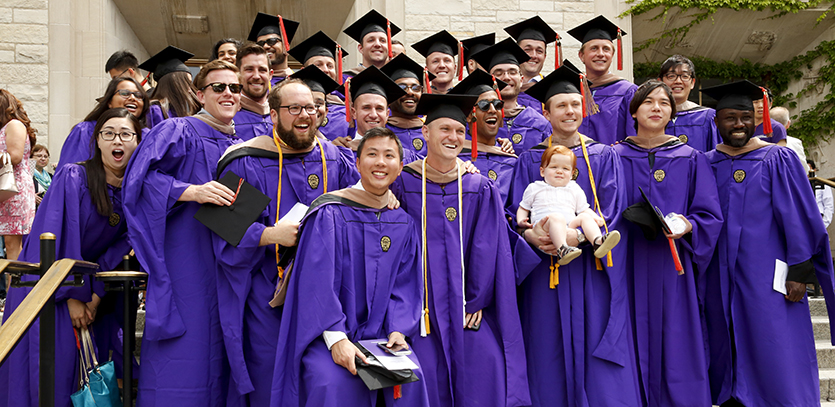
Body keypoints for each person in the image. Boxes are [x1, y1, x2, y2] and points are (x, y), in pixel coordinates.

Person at [212, 77, 359, 406]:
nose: (305, 115)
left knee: (321, 377)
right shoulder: (248, 159)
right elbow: (224, 229)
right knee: (271, 373)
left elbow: (362, 203)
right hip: (270, 292)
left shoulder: (332, 158)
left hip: (327, 291)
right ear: (274, 115)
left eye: (310, 107)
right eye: (294, 108)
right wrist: (267, 234)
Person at [508, 64, 640, 407]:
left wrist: (578, 237)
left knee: (595, 336)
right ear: (545, 111)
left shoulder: (603, 154)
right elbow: (515, 210)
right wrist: (535, 237)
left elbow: (612, 206)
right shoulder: (530, 159)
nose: (570, 111)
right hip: (544, 267)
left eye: (575, 104)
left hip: (590, 267)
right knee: (544, 341)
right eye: (561, 105)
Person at [270, 127, 429, 407]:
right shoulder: (329, 212)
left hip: (380, 336)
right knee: (334, 382)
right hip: (326, 334)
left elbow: (405, 286)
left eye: (389, 155)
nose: (381, 162)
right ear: (357, 163)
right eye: (372, 154)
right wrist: (336, 339)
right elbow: (317, 284)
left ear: (400, 166)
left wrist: (398, 331)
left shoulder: (403, 223)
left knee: (410, 377)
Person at [390, 93, 530, 407]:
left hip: (466, 306)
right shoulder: (402, 182)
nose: (453, 137)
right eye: (445, 129)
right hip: (419, 309)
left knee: (487, 363)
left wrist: (476, 299)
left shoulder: (478, 186)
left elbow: (488, 246)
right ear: (425, 132)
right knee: (422, 370)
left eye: (459, 130)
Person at [701, 80, 835, 407]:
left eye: (744, 117)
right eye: (729, 117)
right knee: (725, 341)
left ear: (756, 119)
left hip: (769, 275)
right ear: (716, 122)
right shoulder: (705, 162)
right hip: (718, 276)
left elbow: (801, 217)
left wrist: (800, 271)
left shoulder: (778, 158)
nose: (738, 125)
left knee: (775, 345)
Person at [0, 108, 140, 407]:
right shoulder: (74, 177)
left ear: (137, 142)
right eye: (109, 133)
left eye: (126, 134)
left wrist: (95, 296)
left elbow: (115, 252)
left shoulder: (133, 193)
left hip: (86, 292)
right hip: (46, 287)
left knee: (78, 381)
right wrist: (74, 295)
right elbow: (57, 234)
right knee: (49, 376)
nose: (118, 140)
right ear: (97, 141)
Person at [123, 60, 242, 407]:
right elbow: (139, 181)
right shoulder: (177, 130)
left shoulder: (245, 143)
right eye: (219, 87)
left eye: (234, 88)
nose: (228, 94)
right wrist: (190, 191)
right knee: (186, 343)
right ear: (200, 93)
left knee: (224, 343)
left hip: (230, 259)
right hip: (186, 256)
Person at [614, 80, 722, 407]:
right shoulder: (613, 155)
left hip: (672, 263)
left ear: (671, 113)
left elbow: (709, 214)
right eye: (648, 102)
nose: (657, 108)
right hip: (627, 262)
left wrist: (686, 223)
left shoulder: (690, 157)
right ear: (634, 111)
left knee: (677, 336)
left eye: (664, 103)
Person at [516, 144, 620, 264]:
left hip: (568, 227)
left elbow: (584, 209)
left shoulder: (574, 188)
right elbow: (523, 207)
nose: (559, 171)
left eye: (565, 169)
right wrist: (521, 221)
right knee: (556, 217)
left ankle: (598, 242)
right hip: (544, 228)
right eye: (554, 167)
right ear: (542, 171)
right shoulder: (535, 187)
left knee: (584, 217)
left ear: (572, 174)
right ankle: (562, 249)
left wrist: (597, 218)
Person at [448, 69, 517, 203]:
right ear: (468, 116)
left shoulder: (511, 159)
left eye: (497, 104)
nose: (492, 109)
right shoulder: (454, 158)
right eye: (484, 105)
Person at [471, 38, 551, 154]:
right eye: (499, 73)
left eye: (512, 72)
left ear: (521, 79)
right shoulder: (477, 123)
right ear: (489, 80)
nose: (507, 77)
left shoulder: (540, 124)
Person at [567, 15, 637, 145]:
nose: (600, 54)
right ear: (581, 56)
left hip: (612, 161)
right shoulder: (571, 89)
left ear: (612, 55)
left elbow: (634, 135)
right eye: (594, 48)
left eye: (606, 49)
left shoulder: (627, 91)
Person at [57, 77, 148, 170]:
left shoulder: (148, 136)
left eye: (138, 95)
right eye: (124, 93)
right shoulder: (86, 130)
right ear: (109, 102)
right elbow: (70, 176)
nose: (133, 98)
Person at [287, 31, 352, 141]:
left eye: (330, 66)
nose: (326, 70)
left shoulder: (348, 109)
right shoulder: (292, 109)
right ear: (304, 70)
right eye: (318, 65)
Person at [331, 66, 407, 154]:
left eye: (379, 109)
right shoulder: (340, 153)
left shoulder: (401, 154)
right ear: (353, 113)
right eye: (366, 108)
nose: (373, 115)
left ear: (387, 114)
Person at [0, 90, 37, 262]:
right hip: (5, 191)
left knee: (12, 244)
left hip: (13, 190)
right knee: (9, 244)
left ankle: (14, 289)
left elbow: (14, 156)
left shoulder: (14, 125)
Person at [658, 55, 720, 152]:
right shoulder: (652, 116)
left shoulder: (708, 117)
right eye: (671, 76)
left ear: (692, 83)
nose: (678, 81)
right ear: (660, 82)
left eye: (684, 76)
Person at [504, 15, 560, 114]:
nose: (533, 55)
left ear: (545, 56)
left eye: (539, 51)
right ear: (517, 53)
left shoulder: (553, 89)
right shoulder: (503, 88)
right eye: (527, 50)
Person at [382, 54, 433, 156]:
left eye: (416, 88)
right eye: (402, 87)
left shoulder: (432, 131)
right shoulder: (380, 132)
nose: (410, 92)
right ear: (389, 96)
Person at [138, 46, 200, 128]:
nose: (189, 90)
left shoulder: (176, 111)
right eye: (187, 83)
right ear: (174, 83)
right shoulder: (154, 110)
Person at [234, 43, 274, 141]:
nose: (256, 76)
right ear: (238, 74)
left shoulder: (282, 112)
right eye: (249, 69)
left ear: (270, 75)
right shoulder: (228, 117)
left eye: (262, 70)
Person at [342, 9, 400, 77]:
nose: (378, 44)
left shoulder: (398, 79)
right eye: (371, 40)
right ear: (361, 48)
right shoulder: (346, 79)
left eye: (382, 41)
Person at [248, 12, 300, 86]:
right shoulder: (253, 84)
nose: (265, 46)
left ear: (285, 45)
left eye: (272, 41)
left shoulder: (300, 80)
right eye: (260, 44)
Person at [412, 30, 461, 94]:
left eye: (447, 60)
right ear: (427, 69)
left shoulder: (467, 99)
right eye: (435, 61)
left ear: (455, 68)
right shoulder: (418, 99)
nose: (442, 65)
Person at [808, 159, 834, 228]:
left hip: (819, 217)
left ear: (814, 169)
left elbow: (828, 204)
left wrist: (824, 224)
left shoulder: (821, 183)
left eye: (809, 168)